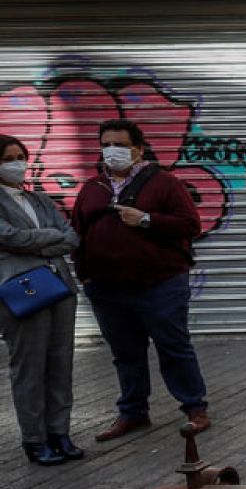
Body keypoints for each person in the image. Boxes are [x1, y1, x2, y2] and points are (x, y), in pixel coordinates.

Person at [72, 119, 210, 442]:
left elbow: (190, 224)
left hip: (159, 283)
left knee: (173, 346)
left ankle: (195, 408)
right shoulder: (93, 188)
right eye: (106, 144)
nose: (112, 151)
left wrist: (147, 219)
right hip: (107, 288)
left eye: (120, 144)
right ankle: (133, 412)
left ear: (138, 149)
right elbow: (77, 232)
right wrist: (86, 275)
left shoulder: (163, 183)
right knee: (125, 352)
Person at [0, 134, 83, 466]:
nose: (17, 162)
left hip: (59, 285)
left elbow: (72, 236)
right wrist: (49, 238)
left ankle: (59, 432)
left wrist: (35, 242)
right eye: (8, 158)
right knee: (30, 366)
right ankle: (34, 439)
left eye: (20, 155)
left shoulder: (38, 199)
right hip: (22, 289)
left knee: (61, 363)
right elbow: (8, 236)